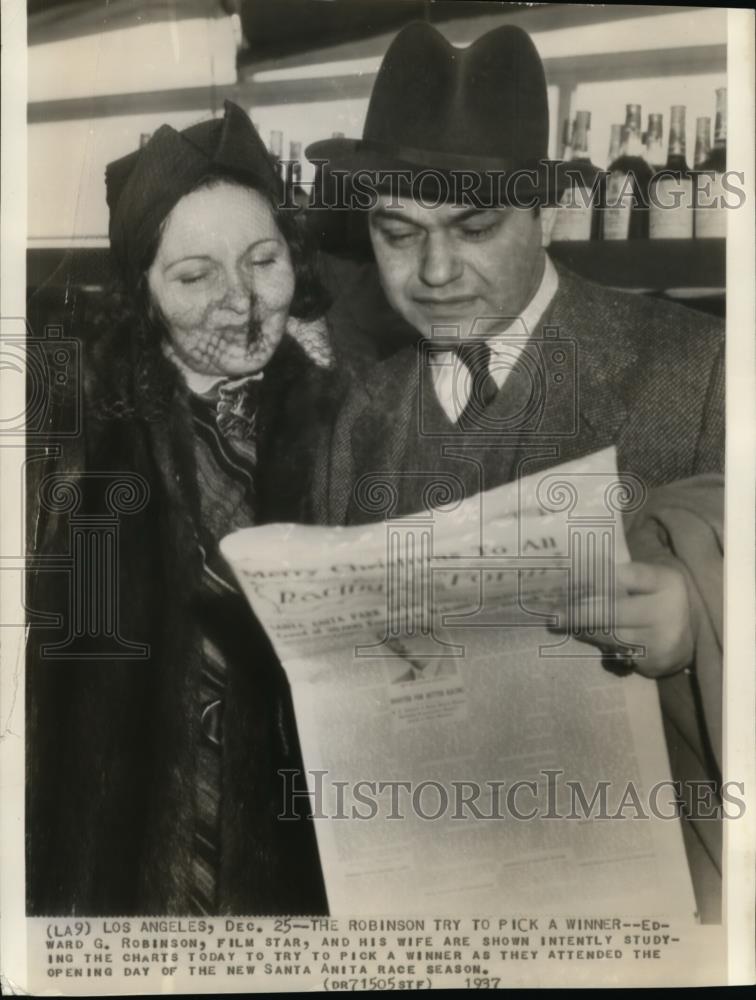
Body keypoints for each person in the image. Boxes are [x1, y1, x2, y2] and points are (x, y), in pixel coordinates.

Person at [306, 24, 725, 917]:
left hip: (641, 917)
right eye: (397, 232)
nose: (434, 271)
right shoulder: (360, 417)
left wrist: (703, 627)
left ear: (547, 212)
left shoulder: (703, 371)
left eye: (475, 227)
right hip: (423, 896)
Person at [26, 101, 332, 915]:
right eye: (195, 276)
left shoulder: (352, 415)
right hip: (118, 862)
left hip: (300, 865)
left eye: (263, 260)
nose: (242, 301)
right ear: (145, 294)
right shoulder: (75, 439)